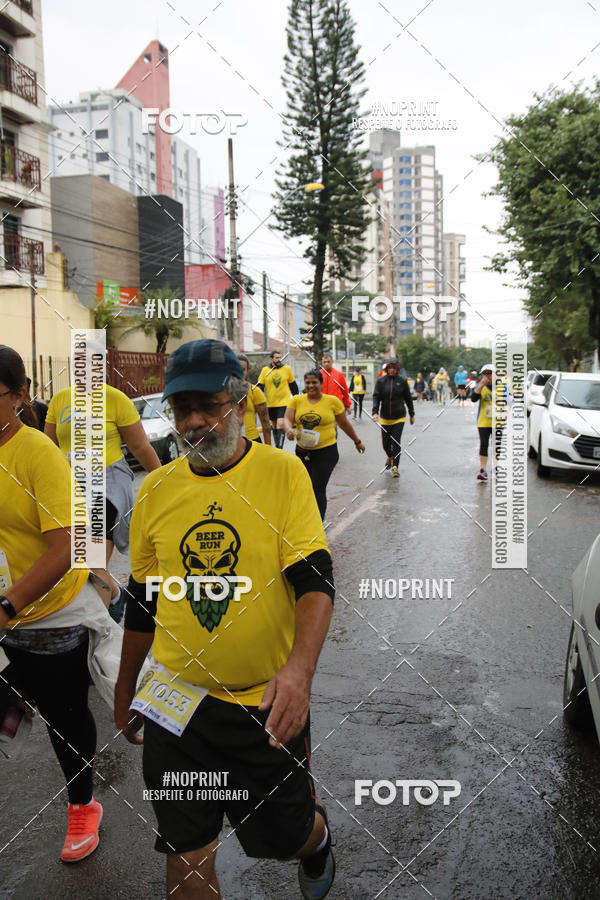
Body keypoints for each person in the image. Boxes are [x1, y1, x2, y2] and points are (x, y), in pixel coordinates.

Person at [114, 339, 337, 900]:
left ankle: (317, 840)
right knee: (185, 861)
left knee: (286, 836)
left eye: (207, 405)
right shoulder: (156, 491)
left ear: (239, 401)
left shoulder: (284, 475)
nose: (193, 422)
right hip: (176, 706)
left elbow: (315, 582)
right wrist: (124, 689)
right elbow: (144, 600)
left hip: (262, 708)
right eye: (180, 407)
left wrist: (299, 673)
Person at [0, 345, 103, 863]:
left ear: (20, 396)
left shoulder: (37, 453)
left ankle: (83, 805)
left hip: (45, 614)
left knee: (64, 717)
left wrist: (9, 604)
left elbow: (67, 545)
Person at [45, 370, 161, 620]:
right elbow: (49, 447)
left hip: (106, 485)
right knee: (77, 563)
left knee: (93, 562)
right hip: (71, 487)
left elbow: (140, 446)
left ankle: (101, 631)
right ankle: (117, 595)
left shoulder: (115, 399)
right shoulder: (60, 400)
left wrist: (164, 482)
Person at [284, 368, 365, 519]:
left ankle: (319, 521)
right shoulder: (296, 400)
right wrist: (289, 430)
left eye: (314, 382)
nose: (310, 386)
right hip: (302, 451)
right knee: (305, 486)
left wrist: (357, 441)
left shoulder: (332, 401)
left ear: (321, 384)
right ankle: (308, 516)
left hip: (326, 452)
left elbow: (344, 424)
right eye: (307, 382)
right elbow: (287, 418)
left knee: (318, 487)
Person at [372, 358, 415, 477]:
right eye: (389, 368)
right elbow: (376, 397)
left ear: (397, 369)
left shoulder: (402, 381)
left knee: (395, 441)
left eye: (394, 368)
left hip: (399, 417)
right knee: (385, 444)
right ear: (387, 369)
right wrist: (375, 412)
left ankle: (395, 467)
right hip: (385, 417)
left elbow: (408, 399)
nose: (391, 370)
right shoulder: (381, 381)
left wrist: (412, 414)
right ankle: (390, 456)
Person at [470, 363, 506, 482]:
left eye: (490, 374)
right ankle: (483, 470)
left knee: (497, 446)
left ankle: (495, 469)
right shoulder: (481, 387)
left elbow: (510, 402)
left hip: (498, 422)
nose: (487, 377)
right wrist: (480, 385)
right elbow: (473, 398)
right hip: (483, 421)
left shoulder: (502, 386)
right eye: (485, 374)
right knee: (484, 444)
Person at [258, 350, 298, 448]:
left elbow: (293, 386)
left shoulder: (287, 369)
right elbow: (260, 387)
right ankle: (277, 446)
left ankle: (279, 448)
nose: (279, 360)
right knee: (274, 426)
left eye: (280, 357)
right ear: (271, 359)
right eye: (277, 358)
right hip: (270, 404)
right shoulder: (265, 371)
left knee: (280, 423)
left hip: (284, 403)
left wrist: (297, 399)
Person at [238, 354, 271, 444]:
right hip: (230, 444)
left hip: (252, 442)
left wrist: (269, 449)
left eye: (243, 369)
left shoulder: (254, 391)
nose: (239, 372)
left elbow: (266, 425)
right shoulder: (222, 392)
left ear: (247, 371)